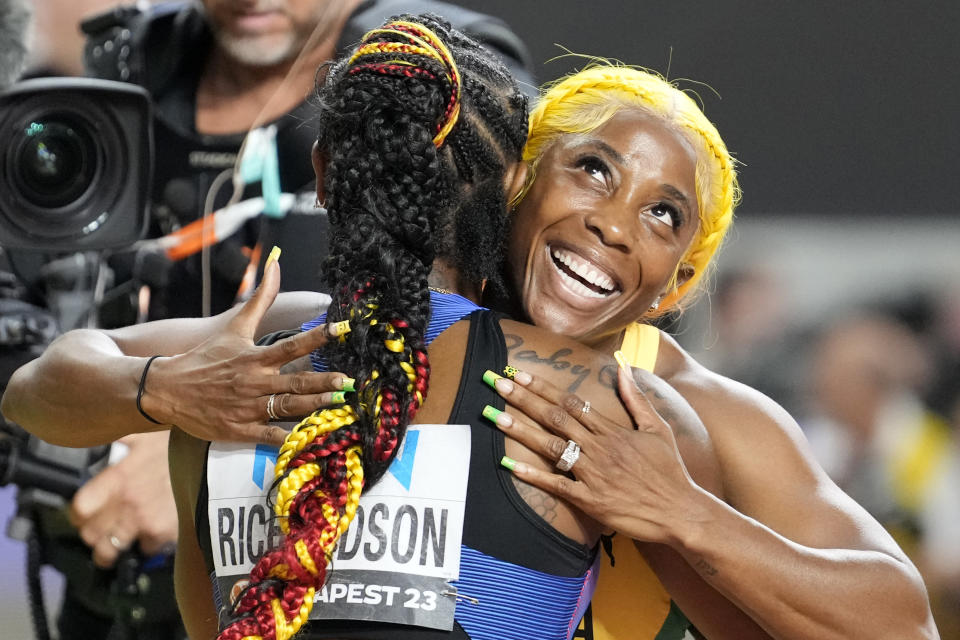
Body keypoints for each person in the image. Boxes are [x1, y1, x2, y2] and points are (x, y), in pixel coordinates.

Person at [3, 15, 721, 639]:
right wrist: (688, 515)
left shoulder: (240, 355)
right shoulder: (611, 403)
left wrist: (159, 390)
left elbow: (32, 388)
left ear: (323, 173)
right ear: (510, 190)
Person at [477, 66, 939, 638]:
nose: (614, 226)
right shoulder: (405, 343)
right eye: (594, 170)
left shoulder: (710, 414)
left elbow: (907, 628)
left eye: (661, 214)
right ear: (518, 183)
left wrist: (681, 511)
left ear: (674, 287)